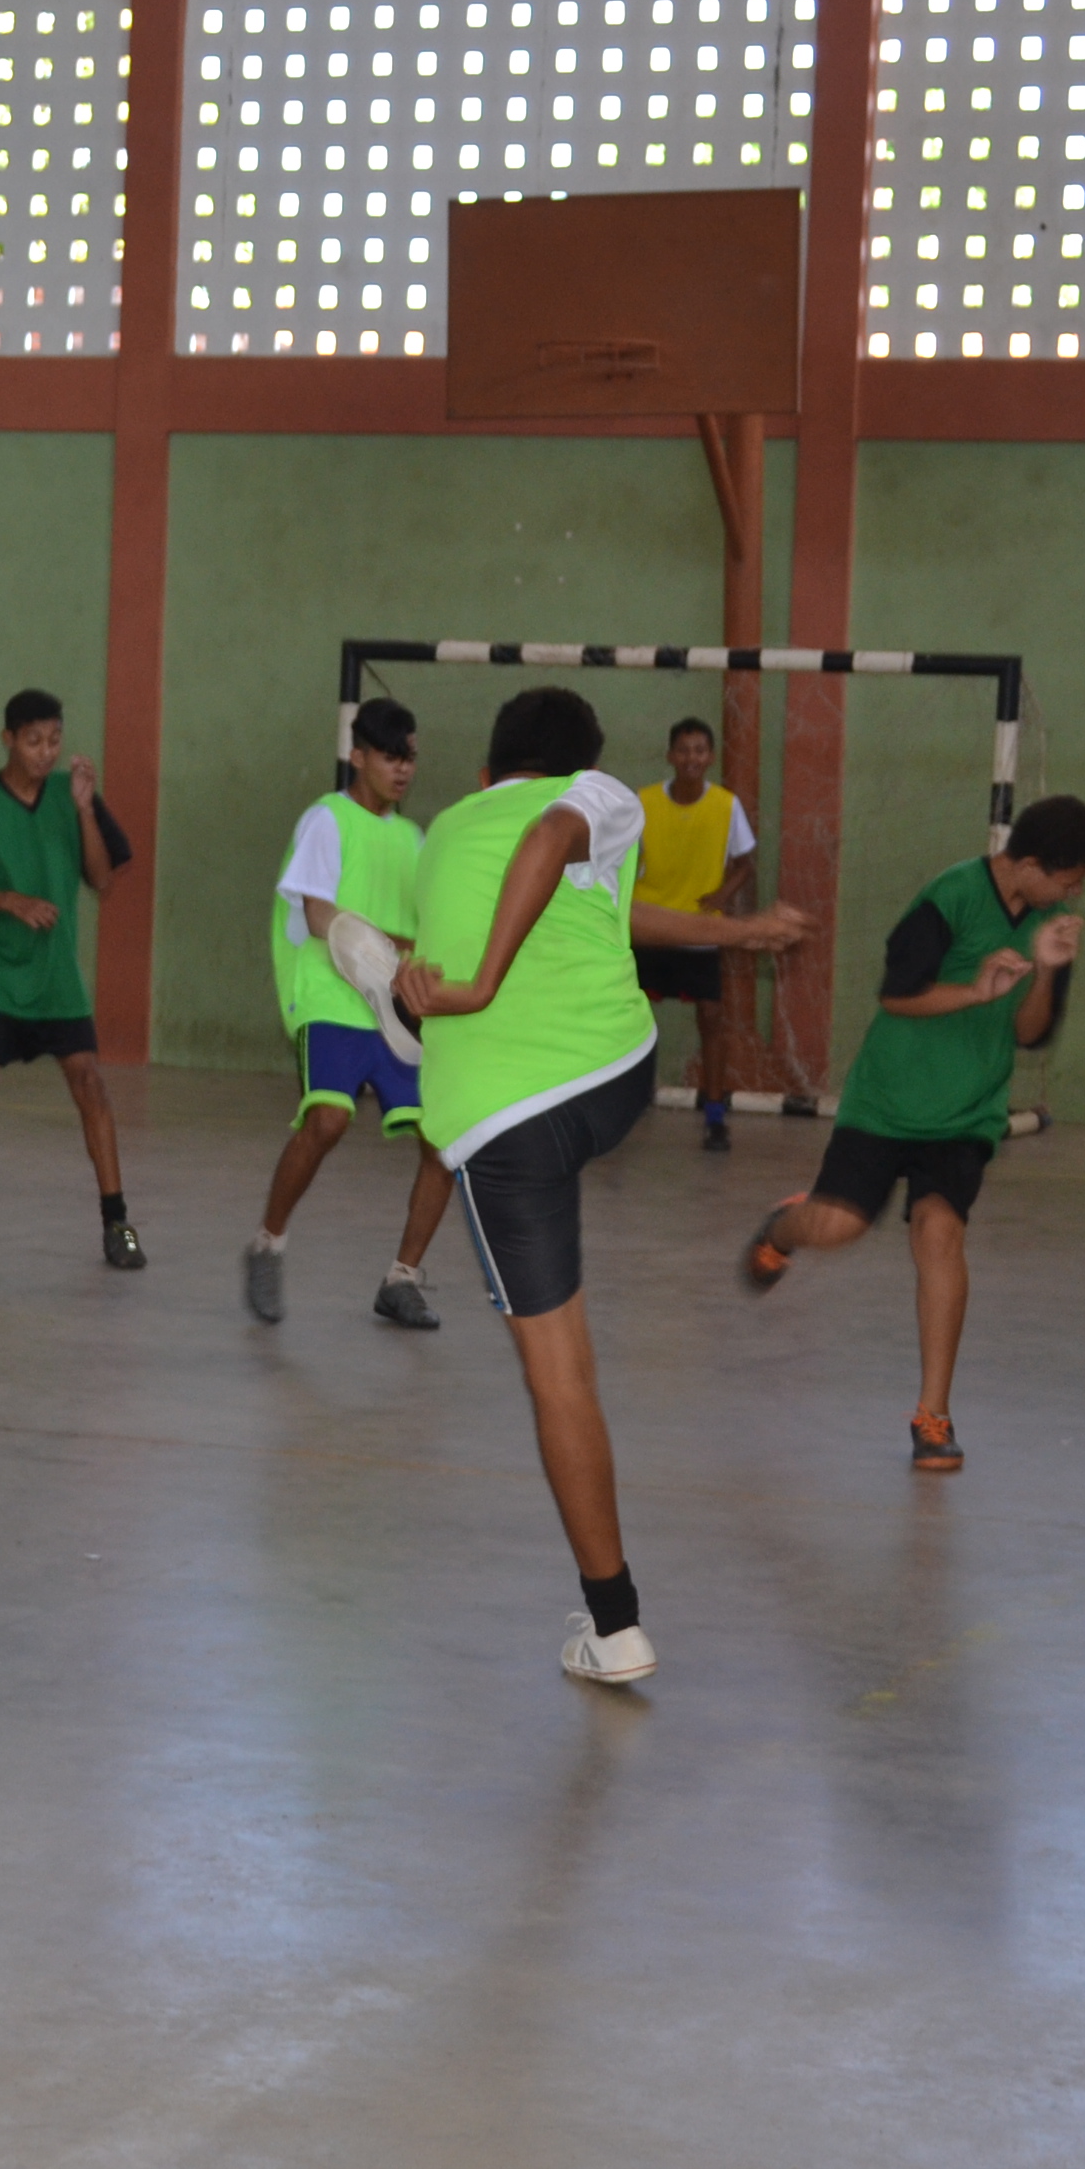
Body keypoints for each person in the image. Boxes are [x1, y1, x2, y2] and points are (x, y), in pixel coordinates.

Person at [390, 686, 812, 1686]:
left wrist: (476, 985)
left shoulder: (448, 827)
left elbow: (544, 851)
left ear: (490, 764)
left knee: (558, 1378)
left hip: (502, 1116)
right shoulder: (601, 795)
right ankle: (606, 1628)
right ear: (584, 757)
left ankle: (617, 1623)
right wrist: (741, 934)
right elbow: (577, 865)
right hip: (607, 1079)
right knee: (567, 1367)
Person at [741, 796, 1085, 1475]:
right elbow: (898, 996)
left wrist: (1049, 969)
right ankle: (782, 1230)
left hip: (966, 1113)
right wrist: (975, 990)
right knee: (837, 1228)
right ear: (1029, 865)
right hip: (887, 1101)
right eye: (1069, 879)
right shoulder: (950, 896)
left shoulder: (1054, 924)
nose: (1075, 892)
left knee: (940, 1234)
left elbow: (1030, 1034)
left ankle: (932, 1417)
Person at [0, 688, 144, 1268]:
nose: (46, 752)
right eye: (34, 741)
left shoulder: (74, 797)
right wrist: (8, 900)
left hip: (56, 975)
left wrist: (87, 809)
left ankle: (116, 1222)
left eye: (55, 740)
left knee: (90, 1082)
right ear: (9, 740)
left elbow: (103, 881)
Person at [244, 694, 450, 1331]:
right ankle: (268, 1244)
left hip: (396, 1001)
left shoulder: (416, 838)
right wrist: (378, 947)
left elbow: (429, 932)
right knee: (329, 1119)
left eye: (410, 758)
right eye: (390, 757)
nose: (403, 769)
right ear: (357, 756)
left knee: (443, 1144)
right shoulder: (326, 820)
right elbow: (317, 915)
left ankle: (403, 1279)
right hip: (329, 990)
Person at [633, 715, 760, 1153]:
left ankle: (714, 1115)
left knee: (711, 1018)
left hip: (699, 931)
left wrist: (722, 896)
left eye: (699, 750)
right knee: (618, 1015)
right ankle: (616, 1102)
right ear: (671, 756)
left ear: (710, 757)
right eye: (683, 750)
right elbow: (617, 858)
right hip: (648, 928)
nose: (691, 758)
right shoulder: (642, 802)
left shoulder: (726, 805)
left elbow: (745, 863)